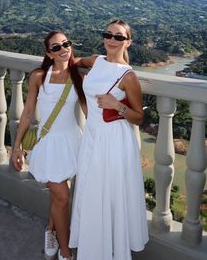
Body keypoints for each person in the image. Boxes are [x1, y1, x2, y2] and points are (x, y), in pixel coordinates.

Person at [69, 19, 149, 260]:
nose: (112, 40)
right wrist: (67, 63)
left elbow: (139, 117)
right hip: (92, 135)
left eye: (119, 37)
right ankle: (94, 247)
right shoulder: (96, 61)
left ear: (128, 42)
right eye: (108, 35)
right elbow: (76, 62)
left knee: (110, 193)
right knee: (91, 192)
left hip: (114, 142)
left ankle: (111, 249)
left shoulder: (128, 76)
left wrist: (117, 105)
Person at [11, 30, 86, 260]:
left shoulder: (78, 78)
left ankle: (51, 230)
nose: (63, 49)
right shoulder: (39, 77)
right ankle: (65, 251)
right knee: (63, 197)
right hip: (49, 144)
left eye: (66, 44)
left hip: (73, 141)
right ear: (48, 53)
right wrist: (16, 147)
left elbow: (88, 113)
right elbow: (28, 113)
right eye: (56, 47)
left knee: (59, 198)